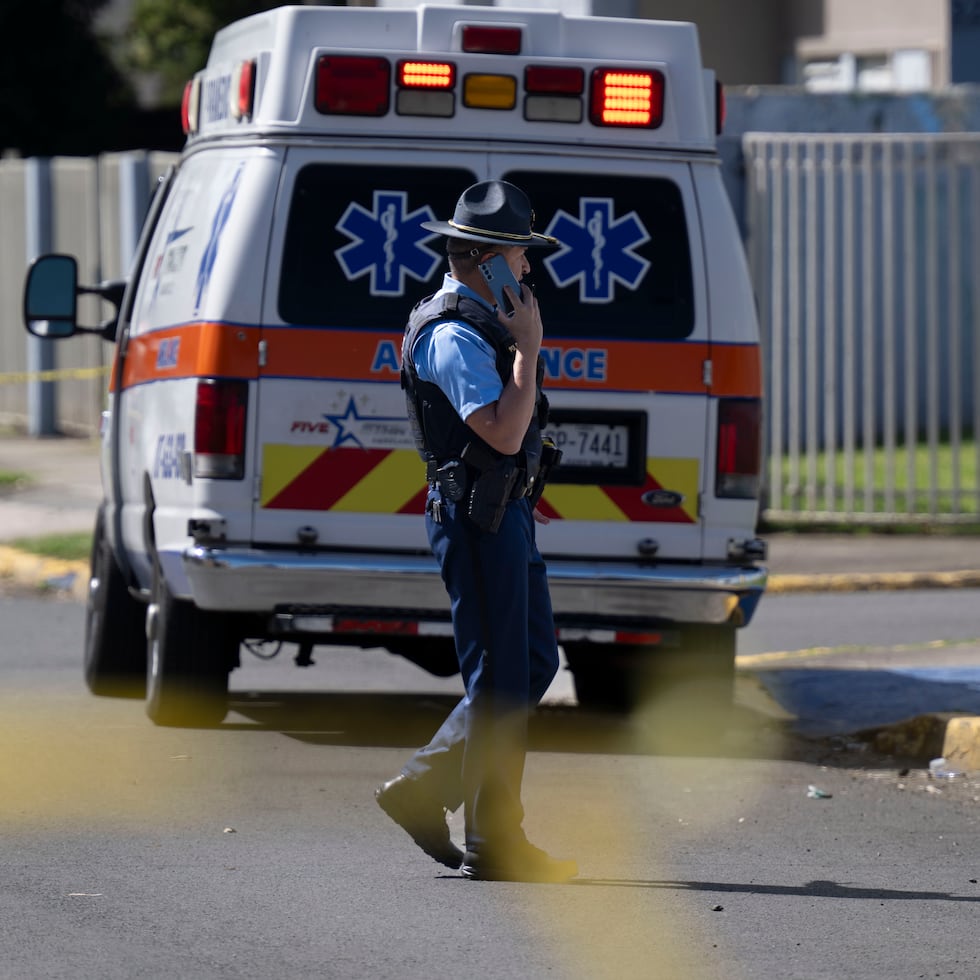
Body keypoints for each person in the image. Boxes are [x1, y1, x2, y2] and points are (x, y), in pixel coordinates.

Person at [375, 179, 577, 883]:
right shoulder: (456, 333)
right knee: (501, 678)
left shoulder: (479, 321)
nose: (528, 270)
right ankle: (493, 838)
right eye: (521, 256)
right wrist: (529, 347)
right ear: (487, 260)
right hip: (475, 518)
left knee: (530, 665)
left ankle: (431, 791)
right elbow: (501, 427)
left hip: (502, 514)